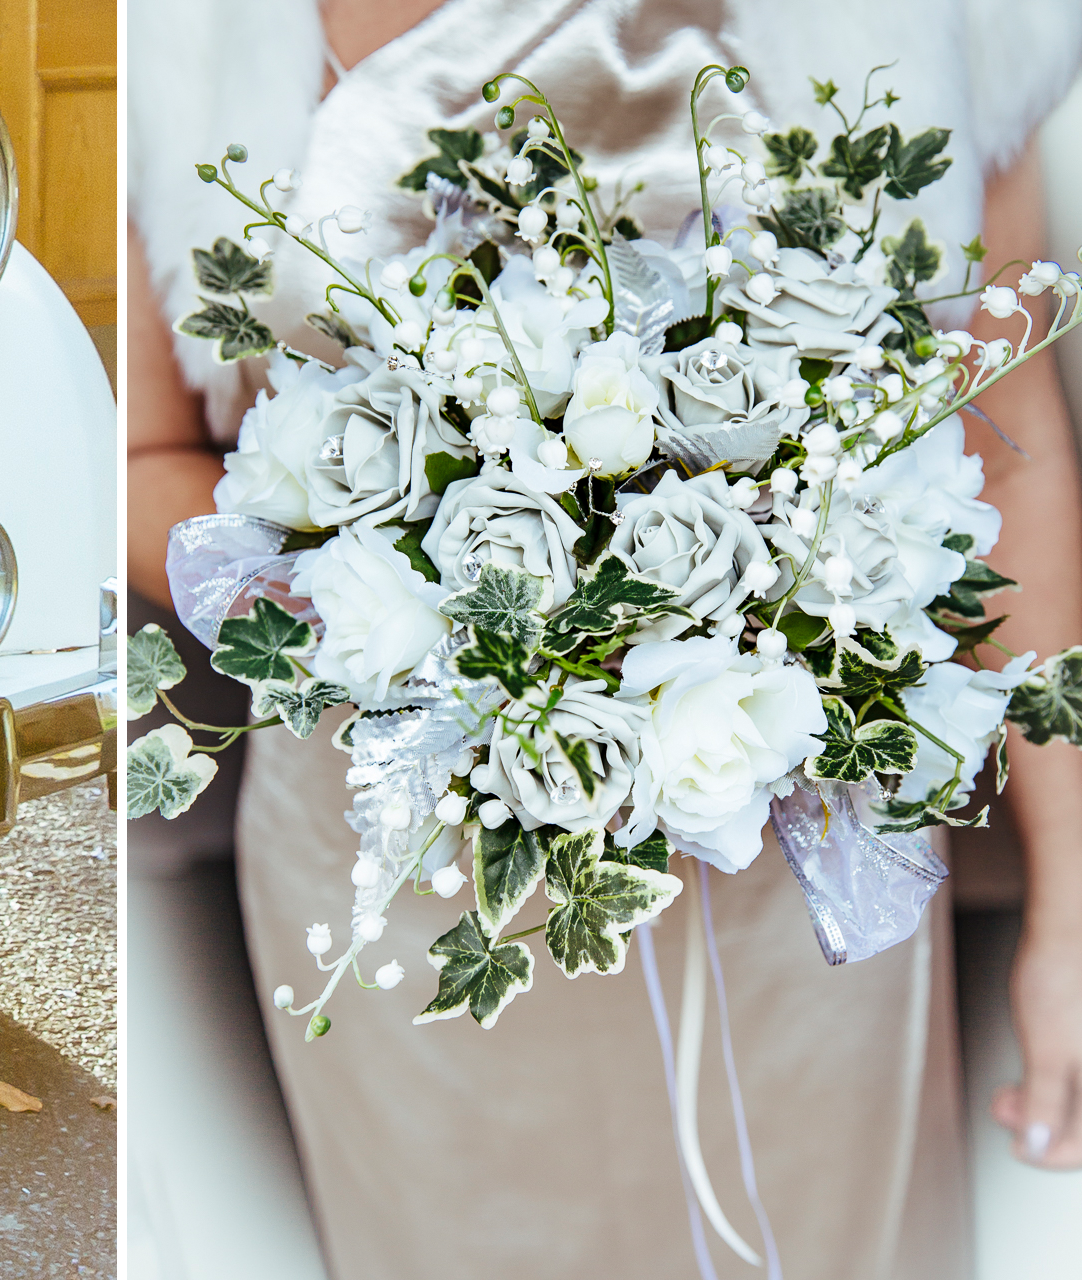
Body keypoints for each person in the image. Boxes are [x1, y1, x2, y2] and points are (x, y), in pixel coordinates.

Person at [127, 0, 1082, 1274]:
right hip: (417, 883)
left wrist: (1076, 901)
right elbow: (143, 455)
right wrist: (424, 599)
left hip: (800, 888)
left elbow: (1006, 444)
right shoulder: (173, 41)